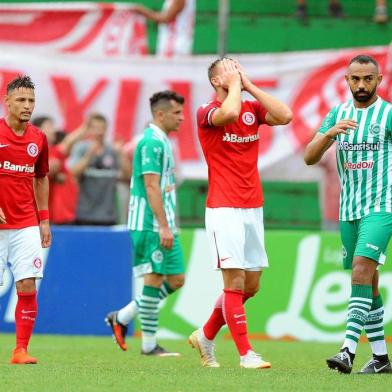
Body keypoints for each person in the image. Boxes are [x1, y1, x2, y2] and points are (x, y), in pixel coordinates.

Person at [189, 58, 292, 369]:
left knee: (251, 286)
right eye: (228, 68)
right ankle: (246, 353)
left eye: (238, 66)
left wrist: (248, 86)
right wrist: (236, 88)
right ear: (215, 80)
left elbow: (285, 115)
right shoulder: (207, 112)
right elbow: (229, 112)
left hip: (252, 206)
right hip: (223, 207)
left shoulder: (252, 109)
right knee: (234, 282)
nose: (235, 70)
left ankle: (206, 334)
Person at [304, 54, 392, 374]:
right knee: (368, 282)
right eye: (355, 79)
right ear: (346, 80)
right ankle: (381, 359)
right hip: (348, 209)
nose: (361, 84)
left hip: (381, 207)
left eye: (368, 78)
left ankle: (347, 351)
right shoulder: (337, 114)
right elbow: (309, 158)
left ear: (378, 80)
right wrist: (329, 134)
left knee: (360, 270)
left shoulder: (388, 115)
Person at [105, 90, 186, 356]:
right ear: (160, 114)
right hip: (150, 223)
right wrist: (163, 225)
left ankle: (123, 317)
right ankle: (149, 346)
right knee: (154, 280)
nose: (182, 118)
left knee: (176, 279)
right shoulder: (151, 142)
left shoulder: (163, 141)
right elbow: (151, 187)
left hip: (164, 222)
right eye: (176, 113)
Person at [0, 75, 51, 364]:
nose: (27, 105)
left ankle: (20, 350)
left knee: (27, 285)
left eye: (31, 100)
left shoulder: (38, 138)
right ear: (6, 101)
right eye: (20, 99)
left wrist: (44, 219)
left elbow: (42, 177)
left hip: (25, 224)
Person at [69, 113, 129, 225]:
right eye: (96, 128)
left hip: (108, 216)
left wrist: (121, 154)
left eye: (103, 128)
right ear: (89, 130)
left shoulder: (112, 150)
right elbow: (72, 174)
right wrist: (88, 156)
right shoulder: (81, 148)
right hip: (84, 214)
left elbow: (127, 176)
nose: (100, 132)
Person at [32, 116, 87, 225]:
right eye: (49, 126)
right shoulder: (29, 152)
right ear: (37, 129)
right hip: (31, 215)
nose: (54, 130)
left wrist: (85, 127)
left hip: (49, 215)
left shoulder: (54, 151)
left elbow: (68, 142)